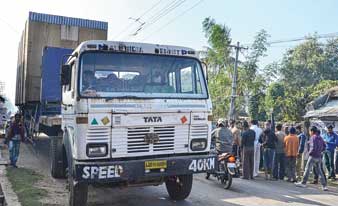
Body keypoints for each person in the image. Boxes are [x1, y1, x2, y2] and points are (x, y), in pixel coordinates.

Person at [295, 126, 328, 191]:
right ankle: (324, 185)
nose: (309, 133)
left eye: (310, 131)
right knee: (320, 171)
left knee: (307, 169)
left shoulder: (313, 137)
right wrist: (320, 151)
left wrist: (310, 153)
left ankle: (303, 183)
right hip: (319, 156)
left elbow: (313, 147)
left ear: (312, 131)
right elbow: (324, 146)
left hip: (313, 156)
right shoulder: (320, 138)